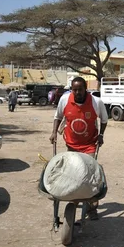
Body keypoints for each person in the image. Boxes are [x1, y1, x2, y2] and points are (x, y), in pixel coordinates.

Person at [50, 77, 108, 221]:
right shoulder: (64, 100)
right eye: (74, 89)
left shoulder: (96, 102)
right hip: (71, 144)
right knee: (73, 174)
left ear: (85, 89)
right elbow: (58, 117)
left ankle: (92, 207)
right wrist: (53, 132)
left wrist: (101, 135)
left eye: (80, 89)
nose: (77, 92)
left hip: (89, 144)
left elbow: (104, 120)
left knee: (89, 176)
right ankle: (74, 199)